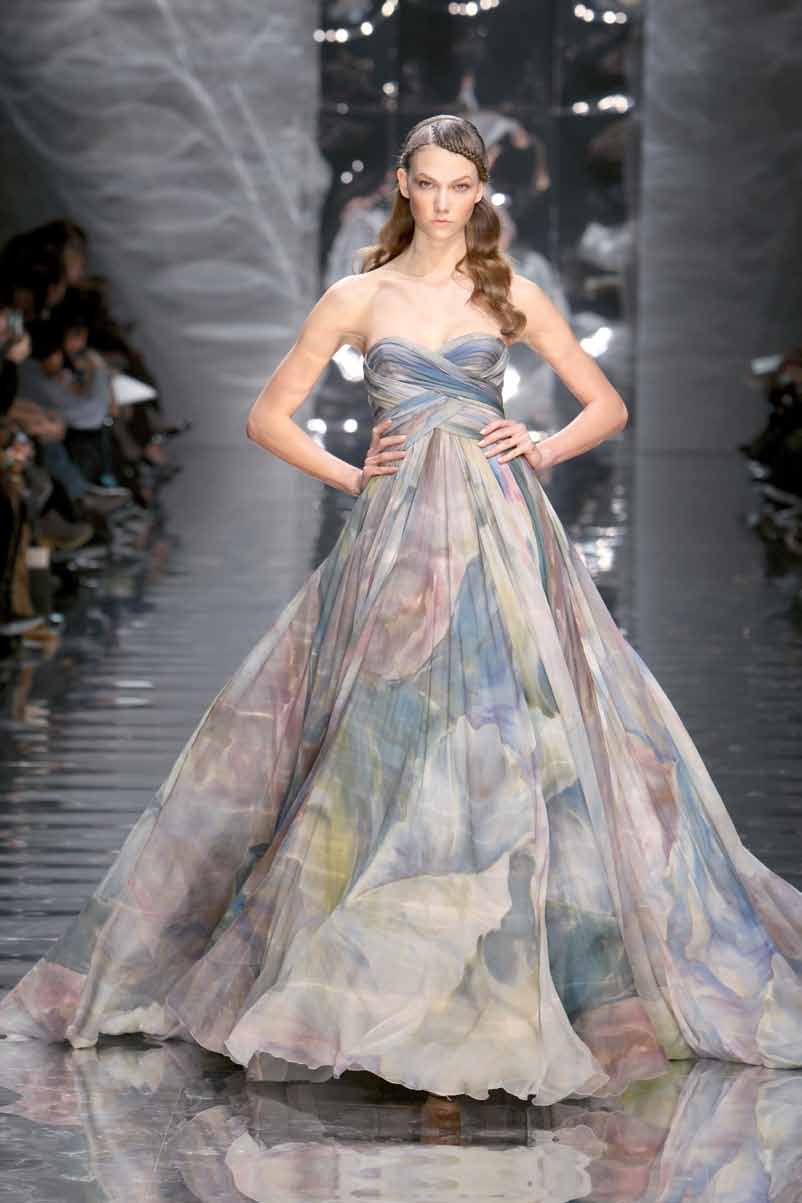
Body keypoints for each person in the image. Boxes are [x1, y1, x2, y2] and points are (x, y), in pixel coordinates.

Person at [2, 114, 802, 1108]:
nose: (442, 201)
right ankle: (381, 964)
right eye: (427, 182)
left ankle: (506, 964)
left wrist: (541, 445)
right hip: (396, 538)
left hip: (502, 530)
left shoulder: (508, 292)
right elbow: (265, 415)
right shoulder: (358, 295)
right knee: (382, 725)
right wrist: (349, 473)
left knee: (512, 724)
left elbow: (607, 404)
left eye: (460, 185)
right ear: (402, 184)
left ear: (480, 192)